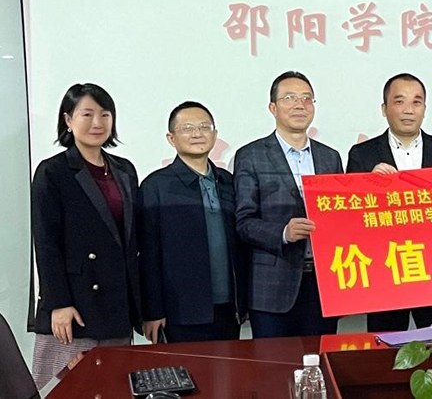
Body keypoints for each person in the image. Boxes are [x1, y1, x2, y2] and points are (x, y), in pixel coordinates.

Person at [29, 83, 141, 389]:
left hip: (116, 303)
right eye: (87, 114)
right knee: (69, 389)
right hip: (75, 306)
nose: (97, 123)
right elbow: (46, 243)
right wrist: (58, 303)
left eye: (105, 114)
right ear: (68, 120)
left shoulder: (124, 170)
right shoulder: (53, 172)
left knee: (114, 387)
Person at [347, 73, 432, 332]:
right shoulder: (362, 154)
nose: (409, 110)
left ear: (424, 109)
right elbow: (350, 219)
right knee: (384, 347)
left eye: (416, 102)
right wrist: (367, 186)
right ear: (384, 109)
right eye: (399, 102)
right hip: (385, 272)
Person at [234, 71, 343, 337]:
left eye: (307, 99)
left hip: (323, 286)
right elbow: (244, 222)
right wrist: (283, 233)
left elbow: (342, 215)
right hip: (271, 289)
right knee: (274, 362)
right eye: (289, 98)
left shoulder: (330, 157)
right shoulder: (251, 156)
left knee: (321, 359)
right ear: (273, 107)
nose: (299, 105)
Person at [139, 101, 247, 343]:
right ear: (171, 138)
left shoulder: (228, 181)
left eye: (204, 127)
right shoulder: (155, 186)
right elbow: (148, 256)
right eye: (187, 128)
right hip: (181, 312)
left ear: (215, 135)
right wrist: (152, 311)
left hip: (230, 309)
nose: (198, 133)